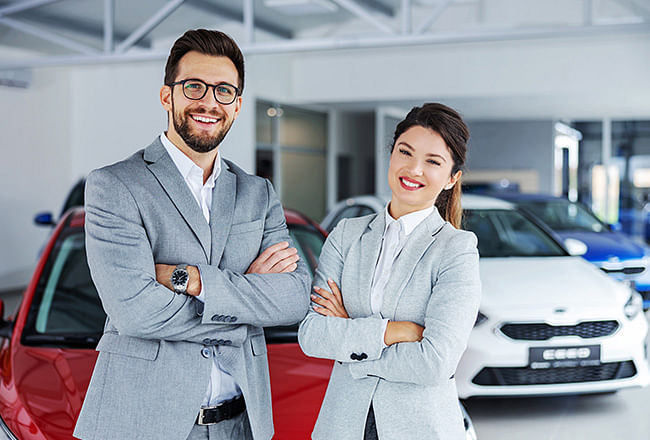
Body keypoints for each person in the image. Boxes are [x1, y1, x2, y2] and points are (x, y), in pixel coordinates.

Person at [73, 29, 311, 440]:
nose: (209, 102)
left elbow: (294, 297)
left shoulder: (258, 193)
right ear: (167, 96)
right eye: (195, 87)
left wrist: (195, 281)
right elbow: (135, 311)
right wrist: (246, 312)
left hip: (241, 425)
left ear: (237, 107)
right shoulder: (114, 185)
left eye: (223, 91)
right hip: (143, 425)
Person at [298, 103, 481, 439]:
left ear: (451, 178)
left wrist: (351, 343)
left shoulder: (456, 249)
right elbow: (312, 336)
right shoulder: (347, 235)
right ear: (391, 154)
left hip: (420, 428)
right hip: (343, 424)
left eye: (432, 161)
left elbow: (435, 362)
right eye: (405, 152)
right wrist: (395, 331)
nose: (413, 169)